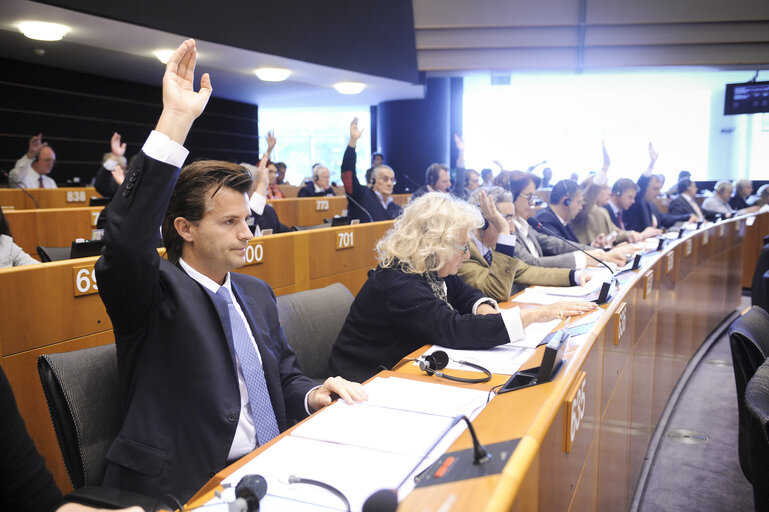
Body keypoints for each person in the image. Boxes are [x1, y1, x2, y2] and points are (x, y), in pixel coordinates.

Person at [94, 40, 366, 502]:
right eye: (229, 222)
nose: (247, 234)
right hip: (184, 484)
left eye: (246, 221)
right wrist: (175, 121)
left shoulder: (255, 292)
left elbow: (283, 376)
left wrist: (314, 395)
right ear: (186, 229)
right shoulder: (151, 291)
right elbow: (125, 238)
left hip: (271, 467)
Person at [328, 192, 595, 383]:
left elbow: (463, 291)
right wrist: (534, 315)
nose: (467, 255)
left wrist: (483, 306)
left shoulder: (429, 266)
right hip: (363, 382)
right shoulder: (399, 282)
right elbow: (453, 329)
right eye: (462, 247)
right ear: (435, 244)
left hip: (403, 370)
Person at [459, 188, 597, 299]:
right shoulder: (465, 253)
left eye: (512, 219)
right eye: (506, 220)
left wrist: (574, 276)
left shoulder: (493, 247)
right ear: (483, 221)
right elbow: (497, 292)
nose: (511, 229)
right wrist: (503, 230)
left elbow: (527, 271)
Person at [506, 175, 631, 270]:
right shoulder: (543, 219)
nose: (533, 203)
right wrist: (594, 255)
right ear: (512, 196)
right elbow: (533, 263)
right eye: (529, 197)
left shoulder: (526, 225)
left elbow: (560, 245)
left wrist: (601, 251)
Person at [623, 143, 697, 231]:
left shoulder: (650, 205)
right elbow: (641, 185)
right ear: (645, 189)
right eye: (655, 189)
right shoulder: (637, 202)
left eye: (659, 189)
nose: (659, 192)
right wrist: (652, 163)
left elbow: (666, 219)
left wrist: (688, 216)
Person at [341, 118, 402, 223]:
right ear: (373, 180)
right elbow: (348, 173)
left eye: (392, 180)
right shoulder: (360, 196)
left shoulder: (396, 209)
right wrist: (353, 141)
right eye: (385, 179)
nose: (389, 183)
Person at [93, 132, 128, 199]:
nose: (123, 171)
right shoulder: (108, 181)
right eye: (119, 167)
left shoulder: (130, 178)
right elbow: (103, 179)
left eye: (124, 168)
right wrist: (115, 156)